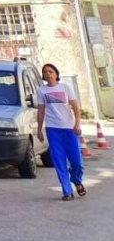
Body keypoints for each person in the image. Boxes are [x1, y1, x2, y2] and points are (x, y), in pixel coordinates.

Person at [36, 62, 85, 200]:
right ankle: (67, 191)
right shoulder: (41, 90)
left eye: (50, 71)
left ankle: (76, 179)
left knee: (76, 161)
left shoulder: (66, 87)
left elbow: (75, 107)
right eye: (45, 72)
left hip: (69, 129)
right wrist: (39, 130)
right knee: (59, 161)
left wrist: (77, 124)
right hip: (53, 129)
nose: (48, 74)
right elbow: (41, 111)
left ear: (56, 74)